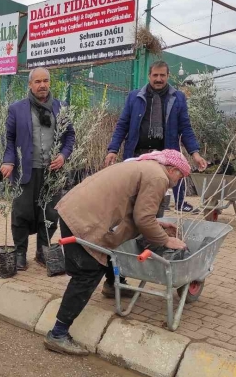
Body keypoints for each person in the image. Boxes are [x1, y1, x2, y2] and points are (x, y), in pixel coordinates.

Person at [44, 150, 190, 355]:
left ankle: (112, 286)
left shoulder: (145, 167)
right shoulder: (158, 177)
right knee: (87, 274)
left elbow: (133, 207)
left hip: (76, 209)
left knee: (107, 252)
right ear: (172, 169)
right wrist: (166, 240)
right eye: (181, 176)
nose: (179, 181)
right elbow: (143, 219)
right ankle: (58, 334)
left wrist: (156, 223)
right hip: (86, 220)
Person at [105, 61, 207, 213]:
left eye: (162, 75)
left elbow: (185, 128)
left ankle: (154, 228)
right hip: (137, 155)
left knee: (157, 198)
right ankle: (134, 229)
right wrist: (113, 149)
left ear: (168, 76)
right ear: (149, 76)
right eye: (155, 75)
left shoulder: (178, 98)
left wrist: (195, 154)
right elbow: (122, 125)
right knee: (133, 194)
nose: (158, 79)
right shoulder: (135, 97)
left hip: (164, 159)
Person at [0, 67, 75, 270]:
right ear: (30, 85)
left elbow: (70, 137)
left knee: (49, 213)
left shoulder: (61, 108)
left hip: (51, 172)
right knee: (21, 212)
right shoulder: (17, 109)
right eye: (37, 82)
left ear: (50, 83)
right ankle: (20, 253)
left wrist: (63, 155)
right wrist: (8, 161)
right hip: (26, 171)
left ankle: (43, 252)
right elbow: (8, 138)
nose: (42, 85)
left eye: (46, 81)